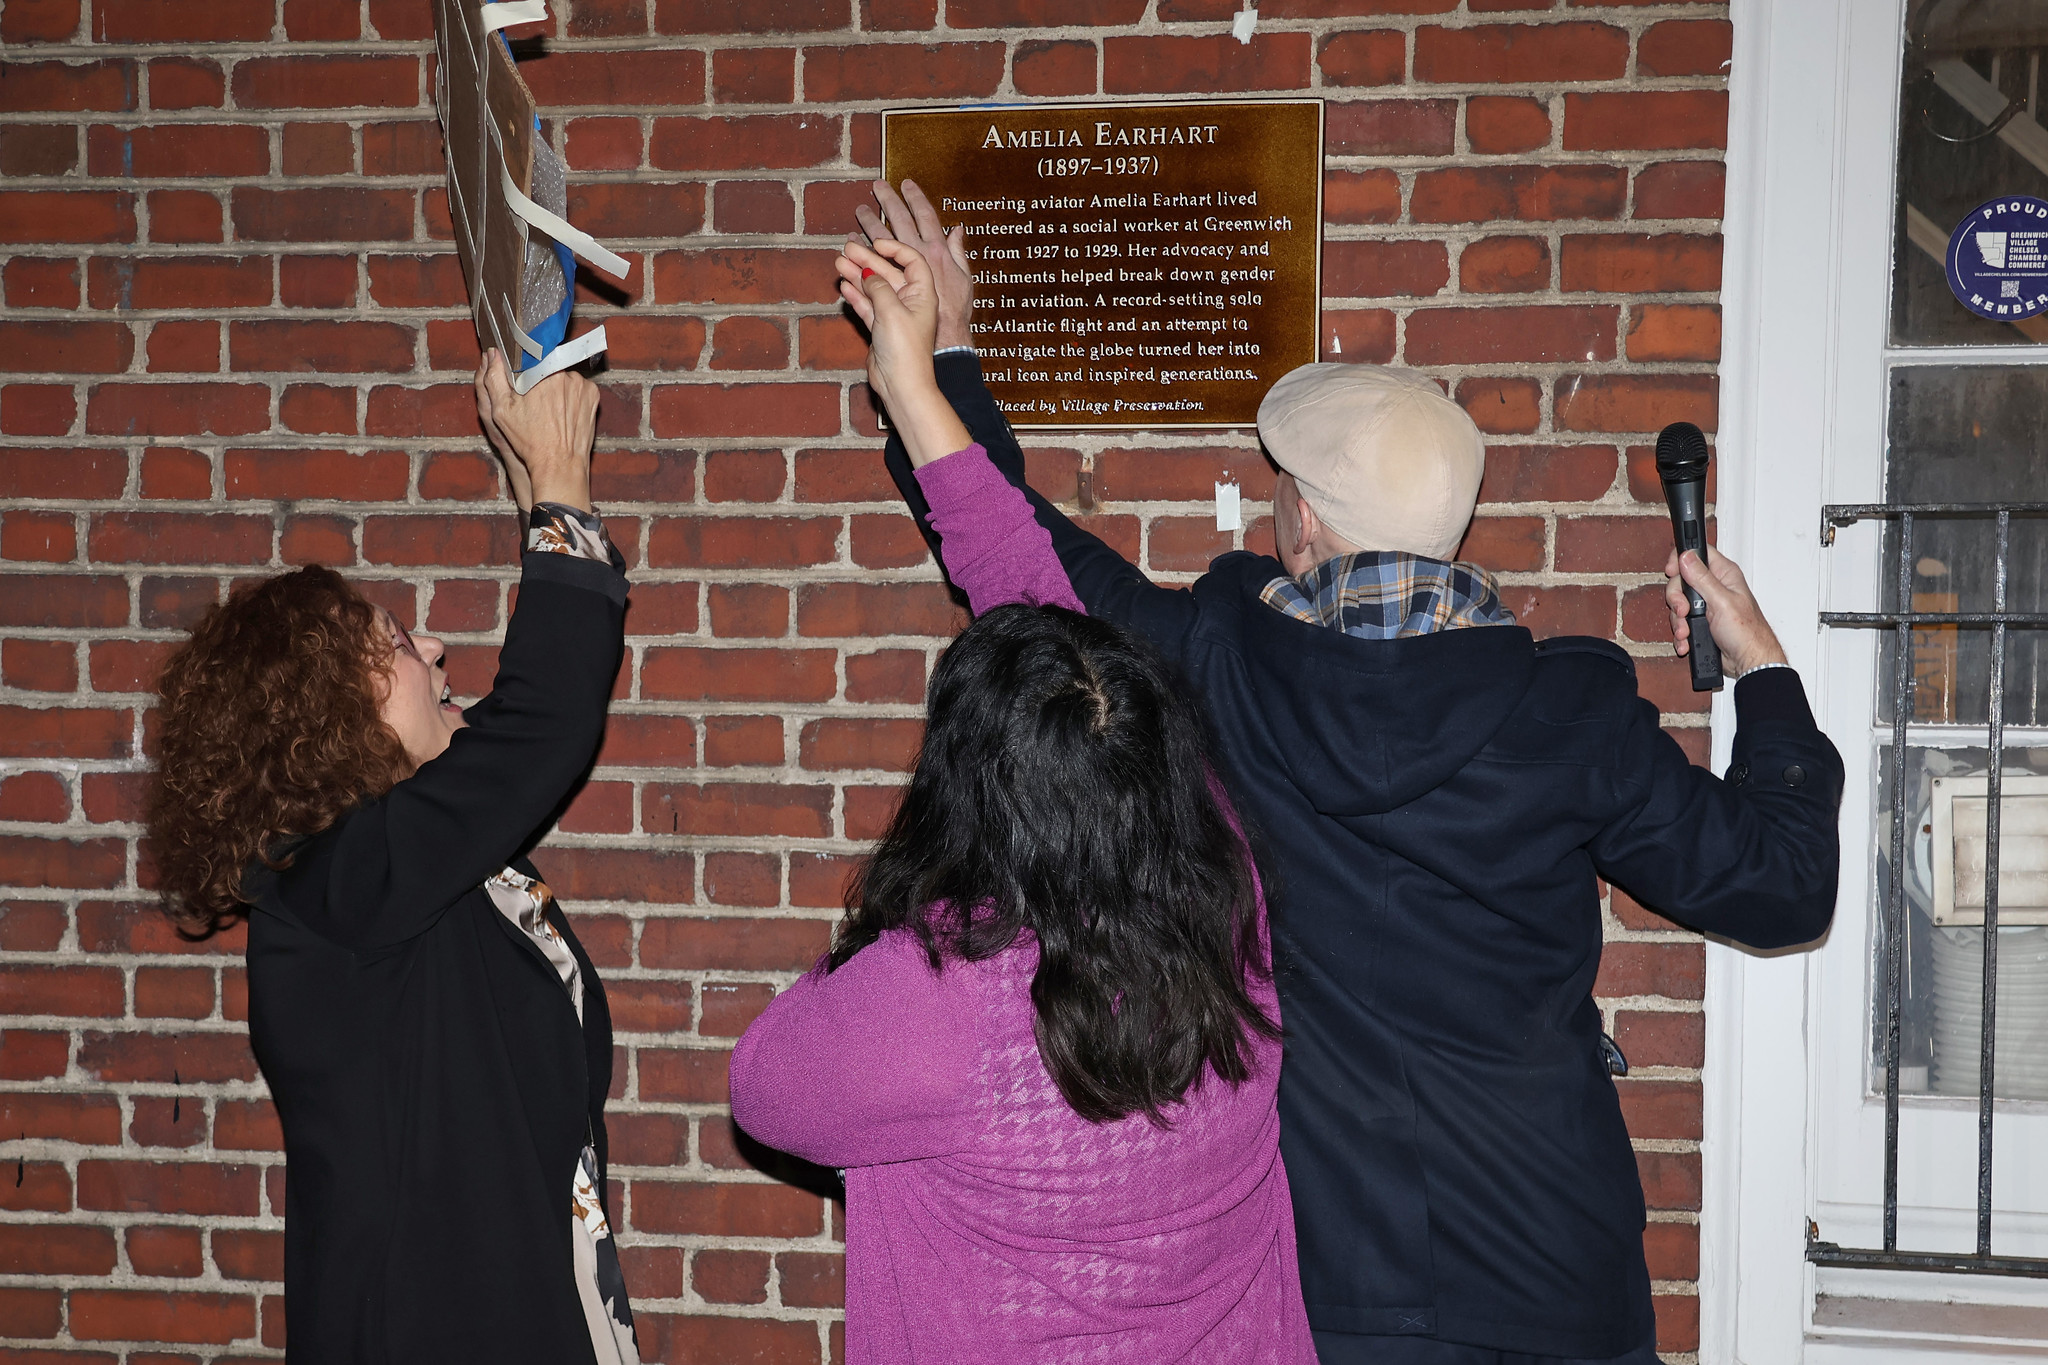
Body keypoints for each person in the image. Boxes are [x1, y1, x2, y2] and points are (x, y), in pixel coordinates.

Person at [853, 180, 1844, 1365]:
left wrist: (944, 360)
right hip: (1554, 1278)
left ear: (1307, 525)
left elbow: (1019, 557)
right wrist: (1765, 673)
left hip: (1332, 1292)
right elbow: (1782, 883)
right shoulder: (1572, 718)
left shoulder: (1210, 670)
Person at [727, 237, 1316, 1365]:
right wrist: (935, 367)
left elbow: (763, 1083)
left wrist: (918, 920)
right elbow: (1035, 597)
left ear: (967, 793)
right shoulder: (1222, 889)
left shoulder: (933, 998)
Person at [148, 354, 640, 1365]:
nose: (441, 656)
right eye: (407, 645)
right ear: (331, 711)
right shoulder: (330, 887)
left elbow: (518, 731)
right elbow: (541, 724)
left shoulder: (400, 877)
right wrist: (561, 487)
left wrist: (529, 489)